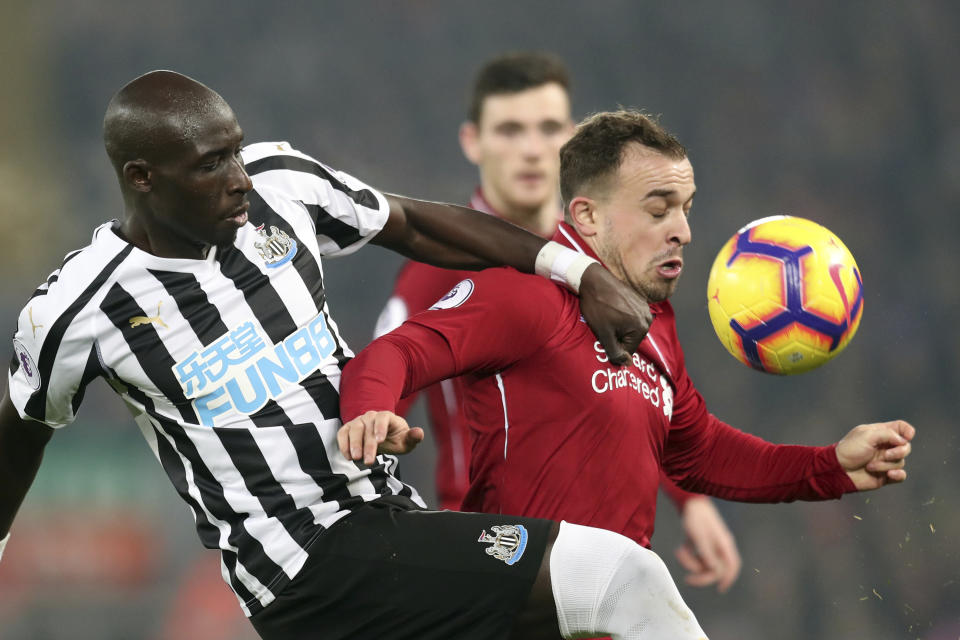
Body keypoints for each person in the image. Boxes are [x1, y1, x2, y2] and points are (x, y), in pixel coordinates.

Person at [0, 70, 715, 640]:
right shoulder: (80, 308)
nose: (239, 178)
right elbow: (20, 430)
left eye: (237, 151)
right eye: (212, 164)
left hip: (386, 518)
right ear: (142, 177)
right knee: (622, 580)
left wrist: (577, 273)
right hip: (308, 564)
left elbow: (414, 225)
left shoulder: (280, 185)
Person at [338, 109, 915, 630]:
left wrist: (830, 466)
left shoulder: (653, 325)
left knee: (638, 580)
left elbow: (700, 451)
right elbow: (397, 351)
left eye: (687, 209)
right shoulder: (527, 298)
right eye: (659, 208)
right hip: (520, 612)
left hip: (608, 620)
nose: (683, 231)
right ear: (587, 217)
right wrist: (370, 408)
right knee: (640, 582)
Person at [375, 51, 742, 592]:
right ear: (472, 142)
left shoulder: (613, 256)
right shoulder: (433, 274)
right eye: (509, 130)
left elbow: (633, 389)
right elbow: (376, 398)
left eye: (548, 129)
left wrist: (692, 501)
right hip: (492, 557)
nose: (531, 149)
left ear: (571, 140)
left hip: (601, 559)